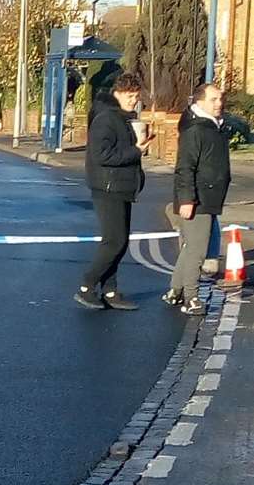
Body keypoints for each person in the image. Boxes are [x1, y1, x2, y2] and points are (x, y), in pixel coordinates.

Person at [79, 73, 151, 311]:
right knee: (114, 241)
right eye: (130, 96)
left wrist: (138, 148)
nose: (134, 100)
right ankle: (87, 286)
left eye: (136, 96)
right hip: (107, 186)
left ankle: (110, 290)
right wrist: (136, 151)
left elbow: (122, 149)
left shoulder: (122, 118)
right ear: (117, 93)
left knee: (120, 241)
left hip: (121, 185)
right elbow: (102, 155)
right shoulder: (106, 119)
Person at [164, 83, 230, 315]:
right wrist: (186, 199)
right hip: (198, 197)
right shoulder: (196, 130)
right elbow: (185, 168)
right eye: (213, 99)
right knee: (197, 251)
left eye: (220, 98)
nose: (219, 103)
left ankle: (175, 290)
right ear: (200, 102)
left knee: (192, 247)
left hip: (209, 195)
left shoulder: (214, 127)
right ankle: (191, 298)